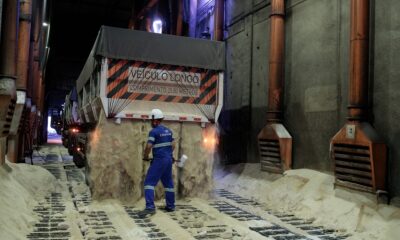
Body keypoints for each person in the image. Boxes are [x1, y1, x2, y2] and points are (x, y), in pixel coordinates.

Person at [139, 109, 175, 217]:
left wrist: (145, 156)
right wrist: (169, 155)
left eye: (152, 120)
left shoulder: (153, 132)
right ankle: (171, 206)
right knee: (168, 183)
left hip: (159, 160)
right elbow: (173, 145)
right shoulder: (169, 131)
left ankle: (150, 207)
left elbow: (149, 146)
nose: (151, 122)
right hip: (168, 160)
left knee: (149, 183)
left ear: (155, 120)